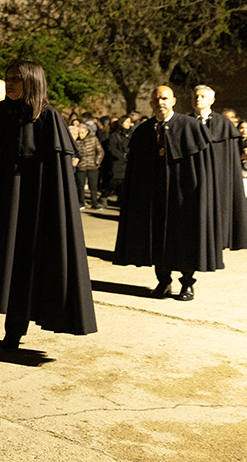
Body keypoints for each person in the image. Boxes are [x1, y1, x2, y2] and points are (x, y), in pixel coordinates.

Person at [0, 60, 97, 349]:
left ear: (33, 81)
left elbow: (57, 174)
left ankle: (13, 335)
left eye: (17, 78)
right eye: (8, 78)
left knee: (22, 268)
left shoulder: (48, 118)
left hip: (30, 209)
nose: (12, 83)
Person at [114, 85, 221, 301]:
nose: (160, 102)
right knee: (157, 239)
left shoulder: (189, 126)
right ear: (151, 104)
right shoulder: (144, 131)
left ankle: (187, 284)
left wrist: (198, 194)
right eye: (156, 100)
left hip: (184, 196)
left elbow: (202, 168)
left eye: (164, 98)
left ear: (173, 101)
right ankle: (163, 281)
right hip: (155, 197)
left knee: (184, 239)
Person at [191, 85, 247, 251]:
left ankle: (218, 242)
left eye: (202, 96)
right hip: (193, 179)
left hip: (219, 178)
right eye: (195, 96)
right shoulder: (184, 122)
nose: (198, 99)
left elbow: (231, 157)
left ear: (212, 100)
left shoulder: (224, 125)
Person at [74, 123, 104, 209]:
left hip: (92, 166)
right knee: (80, 185)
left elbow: (100, 151)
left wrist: (97, 162)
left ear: (87, 132)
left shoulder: (93, 139)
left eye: (82, 133)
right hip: (81, 166)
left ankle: (94, 203)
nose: (80, 135)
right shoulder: (76, 140)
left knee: (93, 186)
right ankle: (81, 202)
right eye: (79, 133)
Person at [104, 115, 133, 204]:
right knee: (116, 180)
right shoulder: (115, 135)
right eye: (126, 122)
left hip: (128, 161)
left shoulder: (132, 134)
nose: (128, 124)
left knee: (125, 183)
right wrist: (121, 156)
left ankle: (121, 200)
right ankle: (104, 195)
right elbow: (111, 148)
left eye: (130, 121)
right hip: (118, 162)